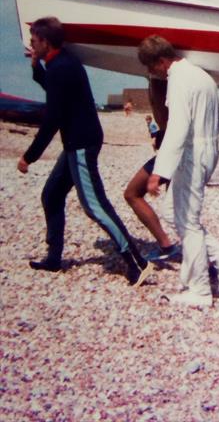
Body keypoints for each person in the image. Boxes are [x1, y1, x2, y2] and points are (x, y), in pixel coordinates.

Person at [17, 16, 152, 288]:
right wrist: (36, 67)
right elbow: (56, 93)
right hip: (76, 142)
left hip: (81, 143)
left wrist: (29, 156)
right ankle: (54, 258)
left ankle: (137, 262)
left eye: (34, 41)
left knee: (94, 205)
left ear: (44, 41)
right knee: (52, 195)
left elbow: (52, 118)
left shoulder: (61, 67)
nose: (31, 45)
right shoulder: (60, 63)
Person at [137, 35, 219, 309]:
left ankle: (200, 290)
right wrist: (206, 134)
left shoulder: (178, 80)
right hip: (207, 150)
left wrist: (160, 171)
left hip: (193, 155)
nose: (151, 73)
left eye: (151, 67)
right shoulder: (200, 74)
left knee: (189, 223)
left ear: (160, 61)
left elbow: (178, 128)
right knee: (172, 212)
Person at [123, 78, 180, 262]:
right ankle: (203, 257)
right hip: (174, 148)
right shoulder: (161, 79)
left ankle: (214, 258)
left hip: (173, 150)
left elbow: (166, 120)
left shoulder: (162, 80)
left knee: (132, 193)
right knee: (181, 210)